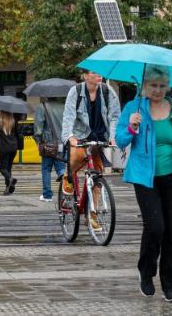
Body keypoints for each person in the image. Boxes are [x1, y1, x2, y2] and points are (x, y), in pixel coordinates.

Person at [116, 65, 172, 303]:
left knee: (171, 231)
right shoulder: (134, 108)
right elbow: (120, 140)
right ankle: (146, 272)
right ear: (144, 86)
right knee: (155, 227)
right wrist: (132, 127)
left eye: (162, 86)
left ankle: (169, 285)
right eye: (153, 86)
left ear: (167, 87)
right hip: (144, 176)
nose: (157, 90)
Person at [61, 70, 121, 230]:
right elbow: (68, 116)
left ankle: (92, 216)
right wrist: (70, 137)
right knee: (77, 156)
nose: (99, 75)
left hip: (99, 135)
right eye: (94, 72)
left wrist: (113, 137)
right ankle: (68, 176)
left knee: (97, 175)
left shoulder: (107, 91)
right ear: (86, 76)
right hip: (80, 134)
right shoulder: (76, 91)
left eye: (100, 73)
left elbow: (115, 116)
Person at [34, 98, 67, 202]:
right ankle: (66, 193)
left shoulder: (42, 106)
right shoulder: (64, 106)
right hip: (62, 143)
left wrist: (38, 140)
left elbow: (38, 127)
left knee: (46, 169)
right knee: (61, 168)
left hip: (48, 144)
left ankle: (47, 195)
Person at [0, 111, 19, 195]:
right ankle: (8, 189)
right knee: (8, 168)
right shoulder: (13, 119)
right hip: (13, 147)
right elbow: (17, 133)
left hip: (4, 147)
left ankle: (10, 180)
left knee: (2, 168)